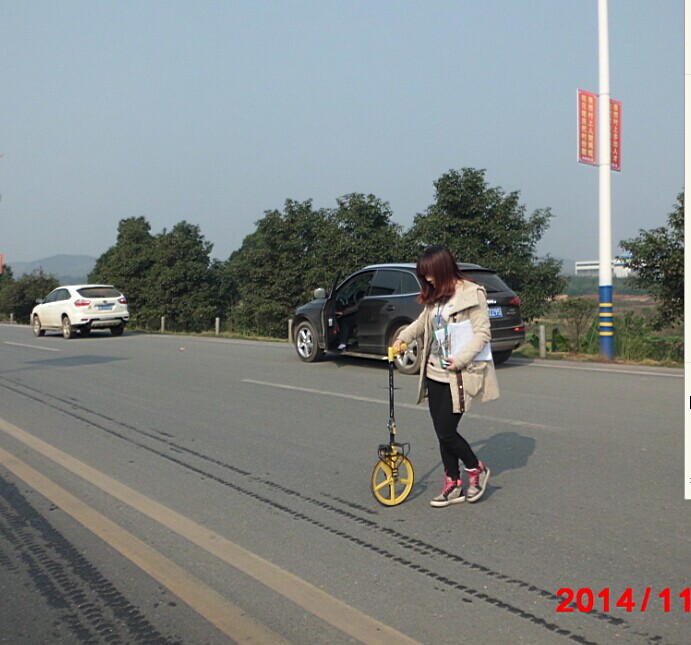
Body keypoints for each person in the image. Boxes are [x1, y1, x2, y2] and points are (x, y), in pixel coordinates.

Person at [392, 245, 499, 508]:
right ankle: (453, 483)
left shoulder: (472, 293)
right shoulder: (437, 296)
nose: (427, 279)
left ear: (442, 268)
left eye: (430, 273)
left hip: (458, 374)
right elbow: (422, 323)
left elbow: (483, 333)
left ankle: (476, 469)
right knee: (441, 433)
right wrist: (402, 339)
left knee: (446, 430)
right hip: (433, 373)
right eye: (424, 275)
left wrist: (460, 359)